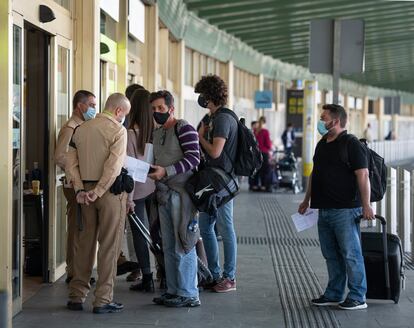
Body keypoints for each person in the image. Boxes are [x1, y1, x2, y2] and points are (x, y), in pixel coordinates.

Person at [298, 104, 374, 310]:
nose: (320, 122)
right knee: (330, 254)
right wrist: (307, 200)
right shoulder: (322, 143)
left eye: (324, 118)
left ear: (336, 121)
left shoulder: (351, 143)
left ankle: (358, 296)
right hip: (324, 208)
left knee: (351, 253)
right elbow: (316, 173)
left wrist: (366, 205)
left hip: (346, 209)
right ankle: (334, 293)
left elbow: (363, 174)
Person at [65, 93, 131, 314]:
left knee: (84, 244)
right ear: (119, 111)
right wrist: (99, 191)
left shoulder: (81, 129)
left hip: (84, 193)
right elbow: (113, 167)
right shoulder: (118, 131)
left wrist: (80, 190)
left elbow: (70, 164)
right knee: (109, 247)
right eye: (125, 114)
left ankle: (76, 296)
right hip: (109, 194)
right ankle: (103, 299)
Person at [149, 90, 201, 307]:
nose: (157, 112)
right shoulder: (157, 132)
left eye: (161, 108)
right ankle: (173, 290)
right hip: (163, 193)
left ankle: (189, 293)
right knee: (168, 244)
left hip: (182, 195)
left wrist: (166, 171)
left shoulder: (185, 128)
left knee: (184, 243)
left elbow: (194, 158)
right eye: (154, 109)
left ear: (171, 108)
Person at [195, 75, 238, 293]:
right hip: (211, 181)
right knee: (206, 226)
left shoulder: (222, 120)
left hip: (222, 183)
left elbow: (215, 151)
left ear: (210, 95)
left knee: (225, 226)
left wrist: (199, 136)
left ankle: (229, 277)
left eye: (202, 95)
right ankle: (214, 273)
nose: (200, 99)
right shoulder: (211, 117)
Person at [54, 90, 97, 285]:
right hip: (73, 185)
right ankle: (73, 270)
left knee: (83, 228)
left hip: (81, 184)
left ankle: (79, 270)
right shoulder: (71, 128)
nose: (94, 109)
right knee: (76, 228)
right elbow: (60, 156)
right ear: (80, 106)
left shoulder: (84, 126)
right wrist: (79, 167)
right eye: (92, 105)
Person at [125, 89, 156, 292]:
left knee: (139, 234)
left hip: (138, 191)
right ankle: (164, 273)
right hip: (157, 186)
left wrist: (129, 198)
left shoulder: (129, 134)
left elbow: (129, 168)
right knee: (158, 232)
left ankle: (147, 277)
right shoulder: (157, 131)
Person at [252, 116, 273, 192]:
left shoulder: (254, 131)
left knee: (256, 169)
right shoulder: (265, 131)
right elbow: (268, 145)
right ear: (265, 122)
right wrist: (270, 144)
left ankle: (254, 185)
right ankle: (263, 186)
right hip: (263, 153)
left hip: (255, 153)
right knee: (264, 170)